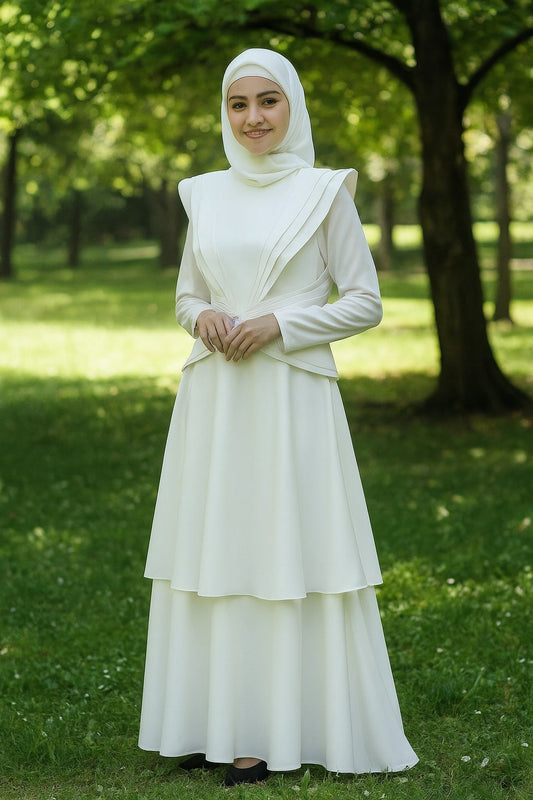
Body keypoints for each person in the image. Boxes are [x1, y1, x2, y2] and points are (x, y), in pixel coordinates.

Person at [138, 47, 418, 786]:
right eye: (238, 104)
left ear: (290, 105)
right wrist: (203, 321)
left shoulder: (325, 192)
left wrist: (279, 325)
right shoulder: (202, 193)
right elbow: (186, 296)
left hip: (289, 395)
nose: (253, 117)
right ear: (224, 113)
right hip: (215, 397)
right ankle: (210, 722)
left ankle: (272, 731)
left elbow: (363, 300)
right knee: (214, 551)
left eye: (268, 101)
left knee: (282, 548)